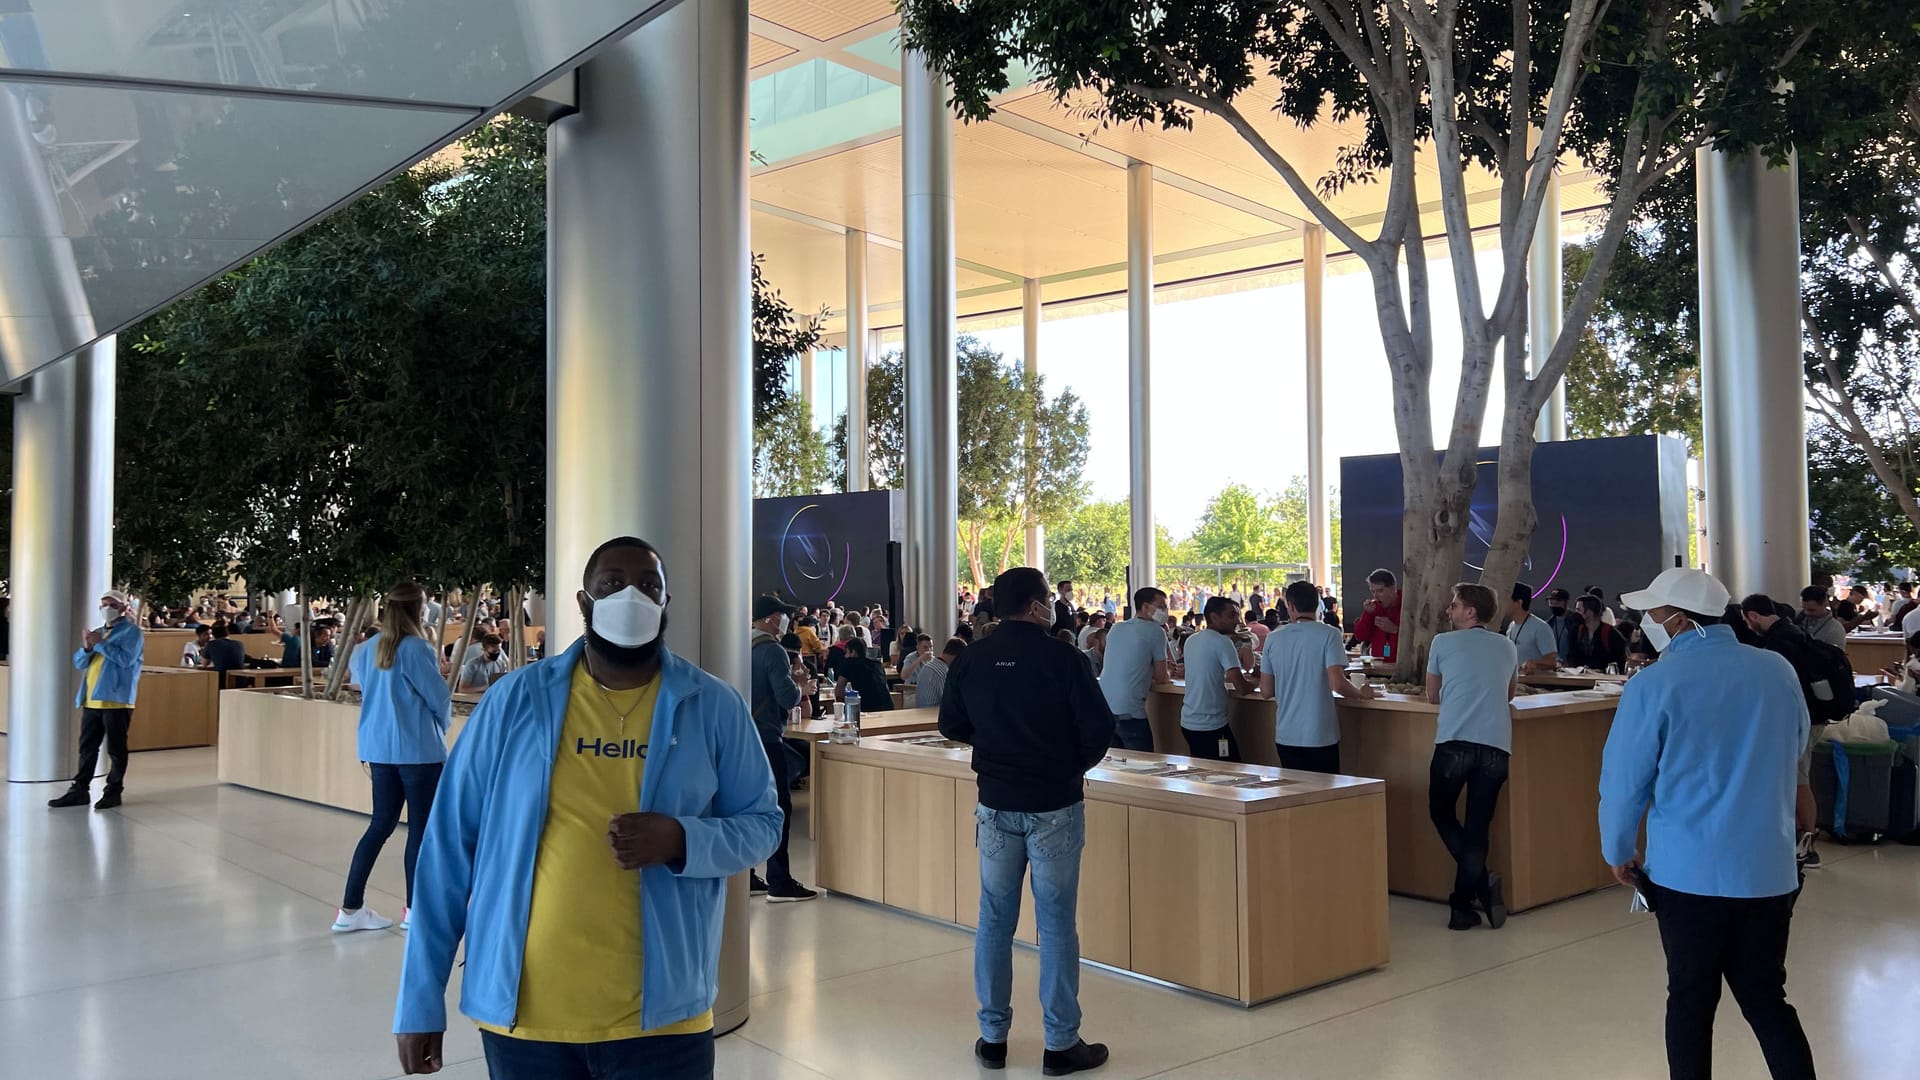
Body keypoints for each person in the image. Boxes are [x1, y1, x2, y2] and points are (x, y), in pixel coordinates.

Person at [394, 537, 781, 1079]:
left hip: (665, 1024)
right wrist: (419, 999)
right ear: (583, 602)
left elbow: (763, 825)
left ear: (667, 602)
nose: (632, 597)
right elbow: (447, 850)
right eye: (612, 584)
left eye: (649, 585)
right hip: (526, 1022)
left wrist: (683, 840)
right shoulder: (515, 701)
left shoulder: (713, 705)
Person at [1601, 569, 1815, 1080]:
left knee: (1691, 1001)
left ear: (1676, 618)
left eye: (1653, 612)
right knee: (1766, 999)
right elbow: (1799, 744)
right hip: (1767, 867)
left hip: (1687, 873)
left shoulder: (1654, 683)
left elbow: (1625, 780)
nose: (1647, 621)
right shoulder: (1776, 669)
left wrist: (1618, 848)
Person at [938, 566, 1113, 1076]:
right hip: (1054, 802)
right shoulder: (1065, 658)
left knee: (994, 918)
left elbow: (951, 723)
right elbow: (1098, 728)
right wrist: (1065, 765)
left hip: (995, 801)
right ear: (1038, 605)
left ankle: (993, 1036)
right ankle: (1061, 1043)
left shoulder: (972, 657)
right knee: (1056, 923)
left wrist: (995, 746)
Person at [336, 583, 451, 934]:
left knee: (380, 825)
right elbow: (439, 698)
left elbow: (365, 692)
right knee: (420, 829)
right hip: (418, 752)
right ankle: (414, 910)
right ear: (419, 610)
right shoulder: (417, 649)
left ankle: (350, 909)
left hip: (378, 750)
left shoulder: (365, 650)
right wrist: (440, 730)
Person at [1423, 583, 1518, 932]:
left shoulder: (1442, 643)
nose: (1449, 610)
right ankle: (1462, 904)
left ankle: (1479, 885)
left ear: (1470, 612)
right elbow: (1509, 693)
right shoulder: (1507, 645)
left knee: (1441, 811)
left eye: (1455, 605)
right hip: (1496, 744)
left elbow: (1432, 695)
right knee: (1479, 826)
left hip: (1454, 741)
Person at [1741, 594, 1843, 873]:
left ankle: (1807, 845)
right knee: (1796, 778)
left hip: (1800, 720)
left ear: (1752, 616)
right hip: (1810, 716)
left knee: (1798, 780)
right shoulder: (1792, 631)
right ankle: (1798, 840)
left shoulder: (1778, 643)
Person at [1260, 581, 1374, 773]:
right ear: (1317, 603)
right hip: (1320, 733)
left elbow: (1266, 691)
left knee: (1296, 795)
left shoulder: (1274, 637)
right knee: (1324, 797)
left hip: (1286, 734)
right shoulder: (1329, 634)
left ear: (1291, 606)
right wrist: (1361, 694)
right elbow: (1338, 684)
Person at [48, 590, 147, 811]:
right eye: (103, 605)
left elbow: (126, 660)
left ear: (123, 608)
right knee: (87, 747)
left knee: (116, 748)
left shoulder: (133, 633)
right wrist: (88, 647)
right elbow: (79, 663)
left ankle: (113, 791)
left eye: (111, 605)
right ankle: (79, 789)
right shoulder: (98, 633)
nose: (106, 609)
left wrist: (100, 644)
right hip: (92, 700)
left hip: (117, 701)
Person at [749, 595, 818, 904]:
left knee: (747, 807)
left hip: (743, 739)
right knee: (779, 809)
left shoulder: (740, 644)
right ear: (774, 619)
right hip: (767, 738)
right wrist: (802, 687)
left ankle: (746, 874)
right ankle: (779, 880)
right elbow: (787, 698)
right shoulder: (773, 651)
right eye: (783, 616)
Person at [1098, 588, 1181, 752]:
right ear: (1145, 607)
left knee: (1118, 769)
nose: (1165, 611)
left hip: (1105, 708)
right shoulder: (1156, 632)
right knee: (1144, 767)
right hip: (1131, 712)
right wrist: (1171, 671)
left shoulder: (1116, 628)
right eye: (1161, 606)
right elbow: (1162, 677)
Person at [1180, 597, 1256, 762]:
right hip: (1211, 725)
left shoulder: (1192, 640)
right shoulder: (1222, 643)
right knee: (1230, 773)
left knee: (1205, 774)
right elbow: (1241, 687)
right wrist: (1260, 680)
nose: (1237, 620)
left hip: (1188, 721)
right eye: (1231, 615)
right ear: (1214, 617)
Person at [1505, 583, 1560, 674]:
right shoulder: (1511, 626)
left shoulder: (1540, 627)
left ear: (1519, 603)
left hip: (1535, 684)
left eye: (1506, 600)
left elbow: (1552, 662)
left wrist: (1534, 663)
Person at [833, 635, 894, 712]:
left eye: (846, 652)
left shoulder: (849, 662)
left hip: (866, 707)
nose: (845, 656)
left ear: (853, 652)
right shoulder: (877, 664)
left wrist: (842, 708)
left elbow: (839, 690)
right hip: (887, 705)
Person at [1567, 595, 1627, 671]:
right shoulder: (1576, 631)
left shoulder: (1611, 633)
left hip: (1605, 678)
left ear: (1589, 612)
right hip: (1580, 678)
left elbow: (1620, 660)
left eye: (1579, 610)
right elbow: (1571, 656)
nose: (1576, 613)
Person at [1352, 569, 1402, 659]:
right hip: (1378, 665)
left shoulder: (1407, 607)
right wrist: (1368, 614)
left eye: (1380, 591)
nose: (1375, 596)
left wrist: (1396, 630)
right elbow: (1360, 636)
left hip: (1402, 665)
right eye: (1373, 591)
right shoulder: (1374, 608)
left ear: (1393, 588)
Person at [914, 637, 965, 708]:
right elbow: (951, 700)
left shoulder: (928, 666)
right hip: (933, 713)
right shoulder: (944, 672)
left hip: (920, 711)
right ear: (957, 657)